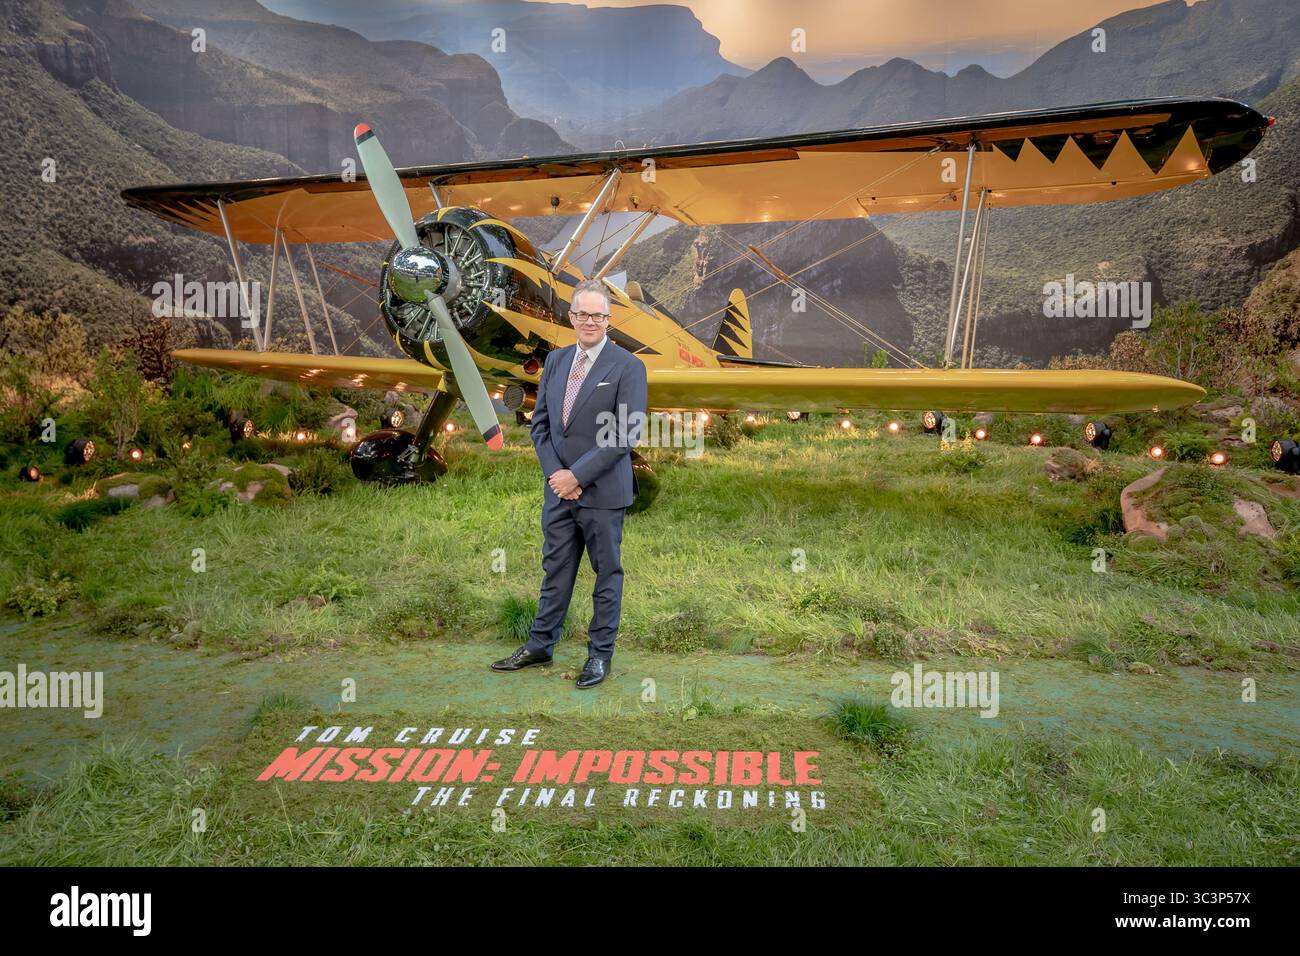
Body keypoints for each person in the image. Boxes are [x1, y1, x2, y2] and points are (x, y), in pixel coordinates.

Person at [491, 278, 648, 688]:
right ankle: (540, 645)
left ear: (608, 320)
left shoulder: (629, 366)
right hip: (558, 490)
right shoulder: (557, 361)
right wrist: (556, 476)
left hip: (602, 491)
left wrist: (576, 476)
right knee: (555, 570)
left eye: (598, 315)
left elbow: (625, 433)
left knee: (606, 574)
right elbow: (540, 425)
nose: (590, 321)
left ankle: (599, 657)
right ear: (572, 316)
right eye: (582, 314)